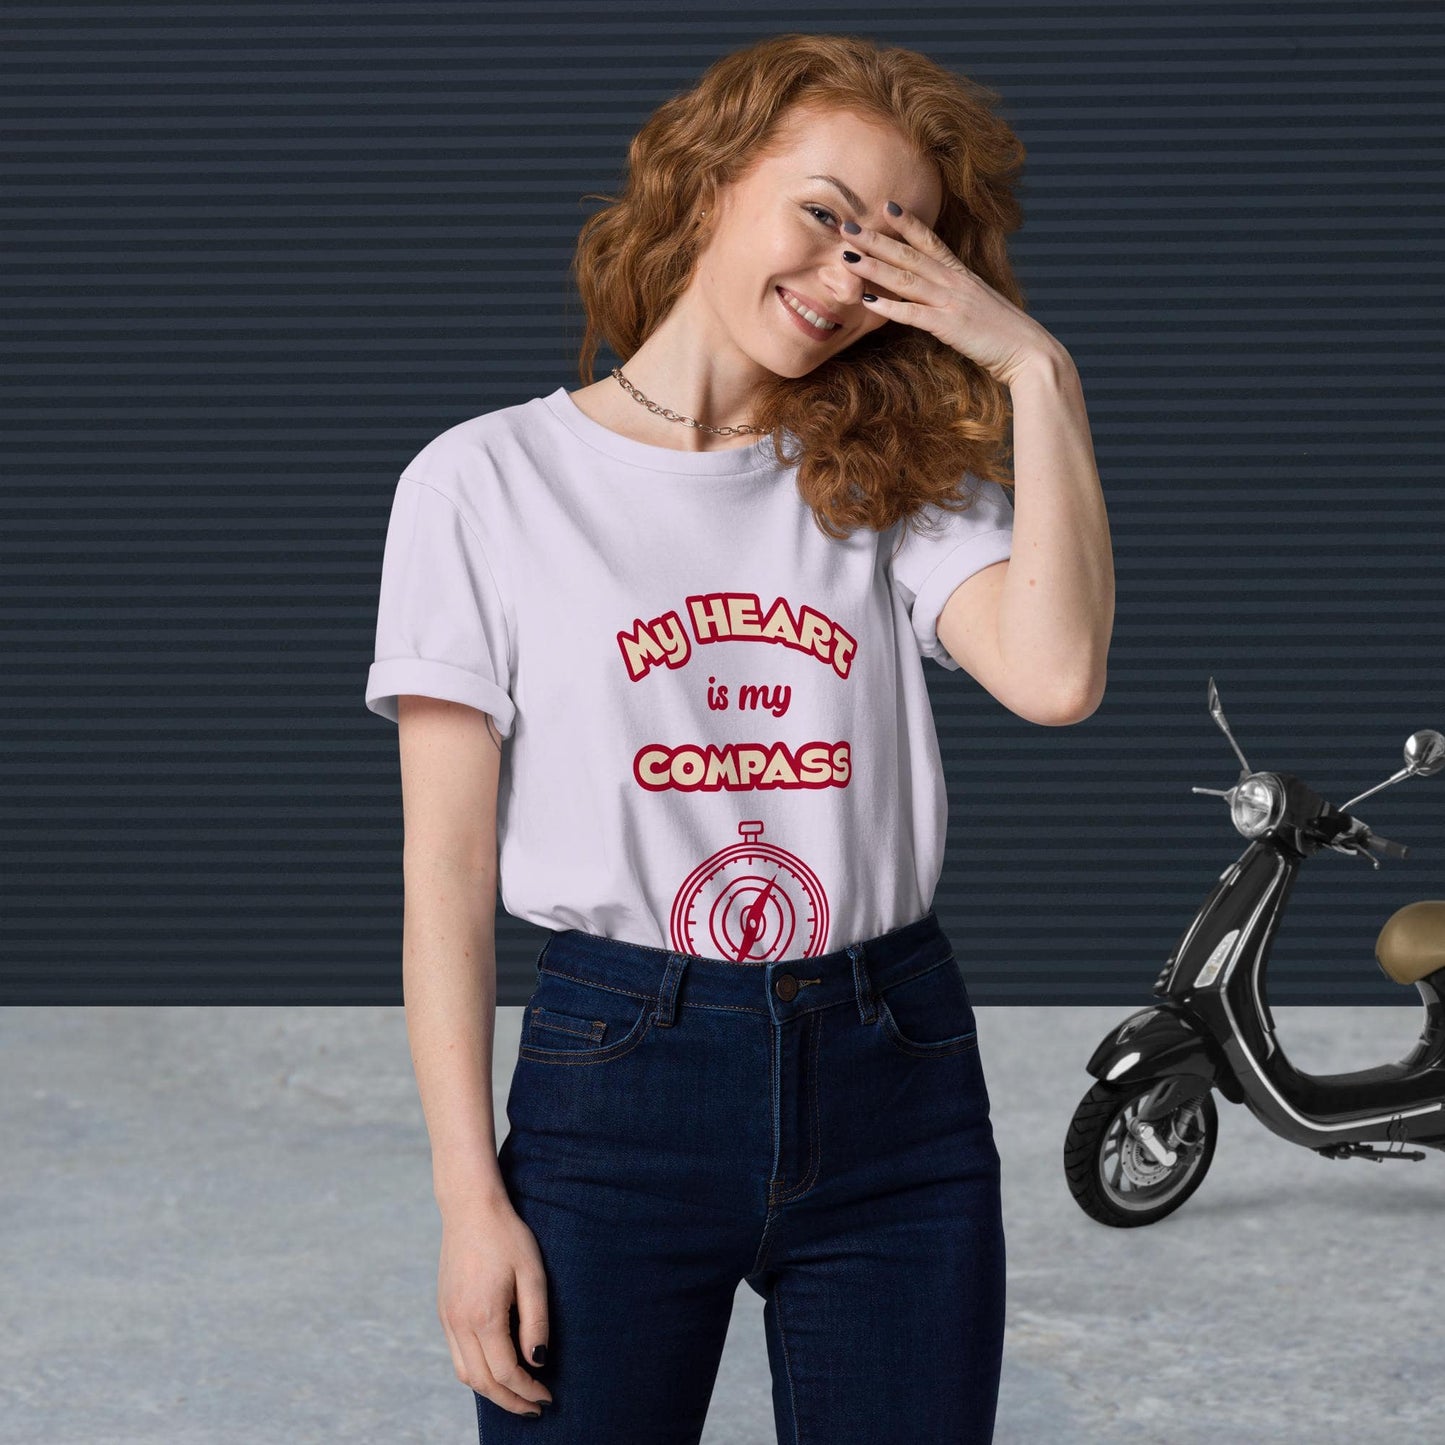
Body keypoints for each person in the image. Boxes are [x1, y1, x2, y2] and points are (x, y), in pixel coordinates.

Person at [364, 32, 1112, 1445]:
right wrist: (472, 1203)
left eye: (892, 248)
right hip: (617, 1079)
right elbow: (444, 878)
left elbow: (1057, 675)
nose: (846, 274)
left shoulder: (884, 476)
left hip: (894, 1065)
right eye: (824, 215)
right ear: (707, 185)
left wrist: (1032, 369)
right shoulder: (485, 483)